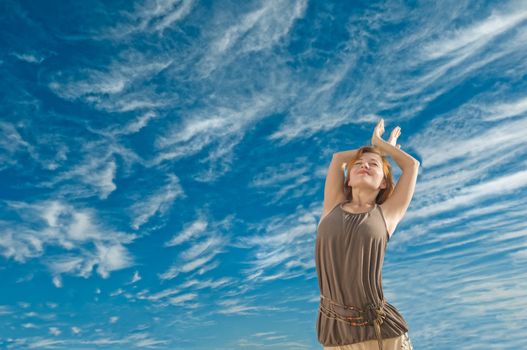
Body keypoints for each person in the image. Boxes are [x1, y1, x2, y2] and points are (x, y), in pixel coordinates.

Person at [315, 118, 419, 350]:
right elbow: (338, 159)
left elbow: (412, 166)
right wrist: (378, 151)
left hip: (383, 333)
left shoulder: (387, 214)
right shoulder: (332, 205)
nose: (365, 165)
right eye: (359, 163)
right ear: (348, 179)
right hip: (336, 333)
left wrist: (382, 148)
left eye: (374, 165)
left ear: (383, 183)